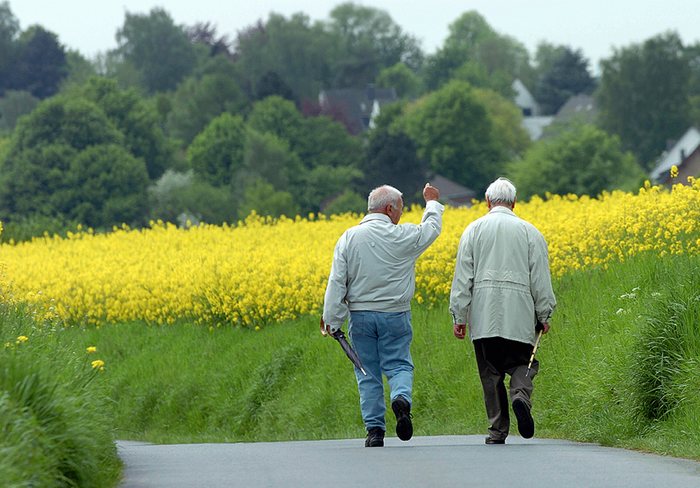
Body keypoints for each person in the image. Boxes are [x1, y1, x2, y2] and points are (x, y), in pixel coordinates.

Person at [321, 183, 443, 447]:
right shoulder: (403, 236)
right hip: (395, 315)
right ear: (389, 209)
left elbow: (337, 281)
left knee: (367, 372)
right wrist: (432, 203)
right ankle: (401, 399)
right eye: (399, 209)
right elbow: (431, 230)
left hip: (361, 317)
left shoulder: (349, 238)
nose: (400, 215)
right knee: (399, 364)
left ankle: (375, 431)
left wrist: (331, 319)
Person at [449, 177, 556, 444]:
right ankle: (520, 394)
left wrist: (459, 315)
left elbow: (463, 278)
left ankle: (497, 431)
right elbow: (540, 279)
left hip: (484, 316)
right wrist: (545, 313)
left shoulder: (473, 230)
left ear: (487, 202)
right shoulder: (531, 232)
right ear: (514, 203)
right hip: (519, 314)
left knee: (491, 372)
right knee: (523, 362)